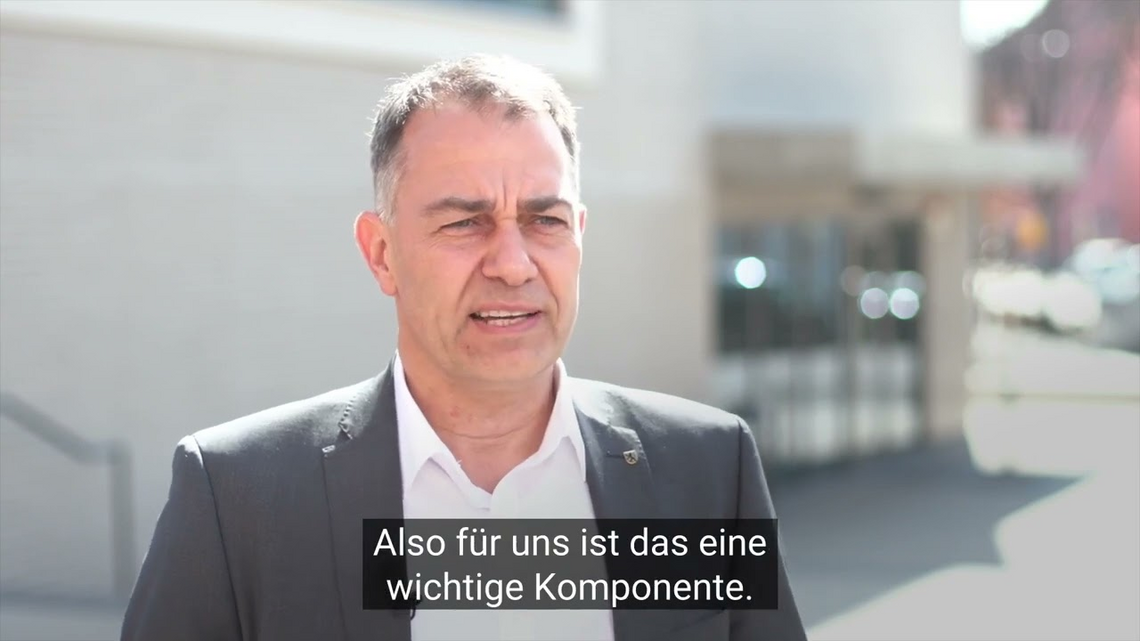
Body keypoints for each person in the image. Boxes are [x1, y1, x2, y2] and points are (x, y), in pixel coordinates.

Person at [120, 54, 806, 641]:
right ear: (381, 253)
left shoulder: (706, 470)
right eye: (464, 223)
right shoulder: (239, 497)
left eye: (544, 220)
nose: (512, 264)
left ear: (579, 235)